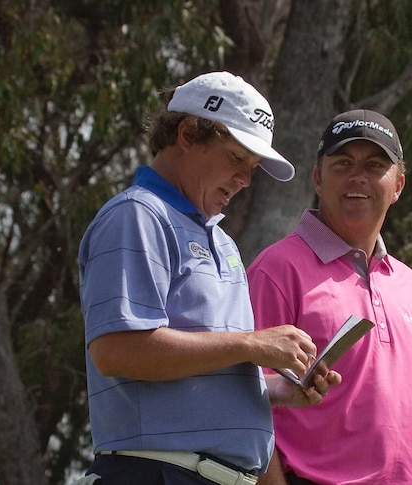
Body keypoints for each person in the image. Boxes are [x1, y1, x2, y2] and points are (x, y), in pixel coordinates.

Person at [77, 71, 341, 485]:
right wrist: (252, 344)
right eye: (236, 158)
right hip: (154, 472)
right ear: (186, 134)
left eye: (252, 167)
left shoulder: (222, 241)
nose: (245, 180)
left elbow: (201, 366)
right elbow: (118, 350)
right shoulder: (137, 215)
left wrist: (274, 390)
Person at [247, 109, 412, 485]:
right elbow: (248, 403)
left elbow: (410, 416)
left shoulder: (409, 284)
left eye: (374, 164)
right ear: (318, 178)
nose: (358, 177)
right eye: (342, 163)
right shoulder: (276, 270)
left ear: (398, 184)